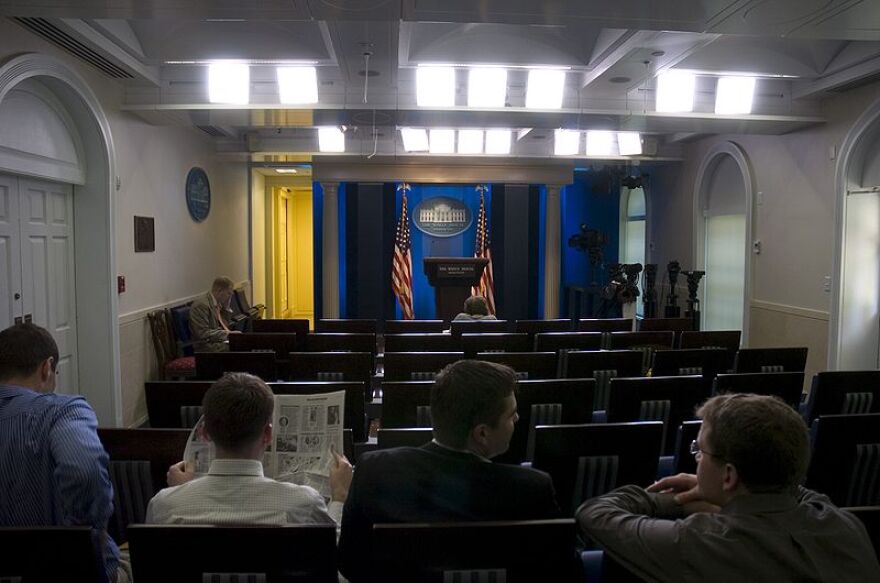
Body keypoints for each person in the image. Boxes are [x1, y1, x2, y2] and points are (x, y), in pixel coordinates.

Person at [576, 393, 880, 583]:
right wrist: (717, 493)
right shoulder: (846, 525)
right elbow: (794, 489)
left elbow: (595, 512)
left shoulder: (697, 544)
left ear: (730, 475)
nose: (695, 457)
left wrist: (677, 502)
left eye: (700, 450)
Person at [338, 360, 561, 581]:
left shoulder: (373, 470)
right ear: (482, 434)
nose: (517, 418)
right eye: (511, 415)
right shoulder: (532, 489)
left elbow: (350, 565)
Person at [0, 323, 127, 582]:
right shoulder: (62, 410)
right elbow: (86, 470)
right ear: (47, 368)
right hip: (66, 569)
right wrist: (87, 534)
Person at [146, 372, 352, 525]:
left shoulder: (164, 505)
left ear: (205, 433)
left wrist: (178, 492)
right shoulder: (303, 503)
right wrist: (339, 496)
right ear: (268, 434)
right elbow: (331, 553)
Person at [189, 276, 239, 352]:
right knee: (240, 346)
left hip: (217, 340)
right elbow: (203, 333)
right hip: (206, 346)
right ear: (219, 291)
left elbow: (225, 325)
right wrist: (228, 334)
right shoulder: (202, 305)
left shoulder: (218, 303)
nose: (230, 297)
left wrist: (226, 308)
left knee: (242, 343)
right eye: (229, 293)